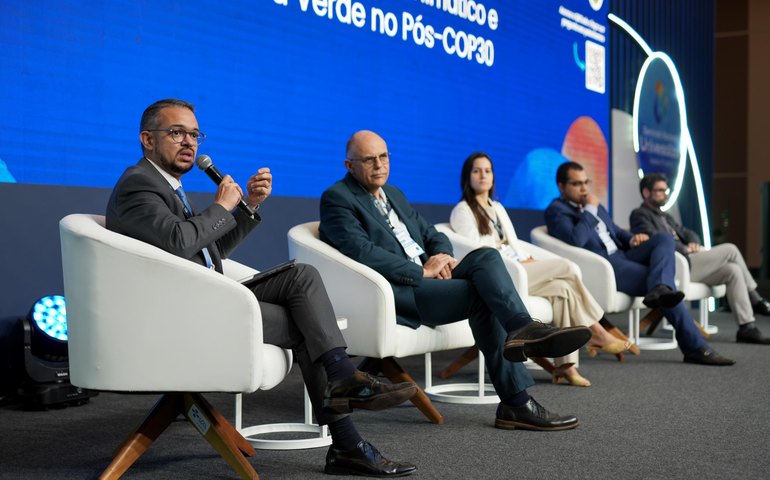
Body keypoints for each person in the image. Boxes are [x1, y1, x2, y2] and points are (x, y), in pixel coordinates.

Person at [106, 99, 419, 477]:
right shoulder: (138, 184)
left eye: (194, 134)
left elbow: (206, 251)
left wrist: (247, 206)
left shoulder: (168, 187)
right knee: (307, 322)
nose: (189, 142)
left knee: (301, 276)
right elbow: (178, 241)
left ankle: (343, 388)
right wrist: (221, 207)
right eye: (176, 133)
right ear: (147, 140)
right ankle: (348, 436)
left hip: (204, 295)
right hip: (180, 311)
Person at [319, 130, 593, 431]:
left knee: (487, 256)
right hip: (402, 289)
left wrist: (444, 259)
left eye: (384, 157)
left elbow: (432, 234)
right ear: (349, 165)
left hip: (430, 276)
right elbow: (361, 251)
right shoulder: (337, 199)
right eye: (369, 159)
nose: (379, 164)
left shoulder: (393, 193)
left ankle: (520, 327)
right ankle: (516, 402)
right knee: (482, 297)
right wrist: (421, 271)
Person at [450, 152, 631, 387]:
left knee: (563, 289)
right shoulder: (462, 210)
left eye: (487, 170)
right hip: (500, 276)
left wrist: (526, 257)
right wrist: (518, 262)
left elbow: (512, 242)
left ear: (494, 176)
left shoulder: (497, 208)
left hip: (519, 269)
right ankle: (597, 329)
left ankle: (566, 368)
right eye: (477, 171)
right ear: (468, 176)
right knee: (567, 267)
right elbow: (477, 253)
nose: (483, 175)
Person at [545, 160, 735, 366]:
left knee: (664, 239)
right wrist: (590, 208)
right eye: (576, 184)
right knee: (667, 294)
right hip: (606, 266)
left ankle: (660, 287)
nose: (584, 188)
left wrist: (632, 239)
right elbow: (576, 239)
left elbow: (616, 231)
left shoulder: (596, 207)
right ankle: (696, 347)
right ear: (561, 186)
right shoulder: (557, 211)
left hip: (624, 254)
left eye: (586, 182)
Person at [630, 173, 770, 344]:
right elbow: (656, 240)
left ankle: (747, 327)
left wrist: (694, 243)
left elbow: (690, 233)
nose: (665, 194)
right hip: (676, 266)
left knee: (733, 270)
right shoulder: (639, 215)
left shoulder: (665, 216)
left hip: (690, 261)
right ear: (646, 192)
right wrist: (685, 248)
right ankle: (755, 298)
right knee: (731, 250)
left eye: (666, 190)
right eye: (659, 190)